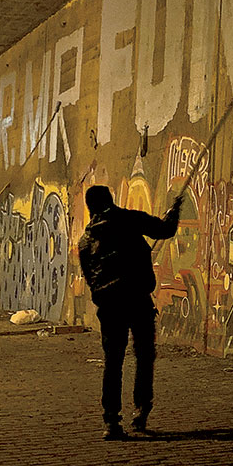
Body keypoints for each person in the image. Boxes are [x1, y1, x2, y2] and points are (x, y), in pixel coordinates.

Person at [77, 185, 183, 440]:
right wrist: (174, 211)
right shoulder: (131, 219)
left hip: (109, 306)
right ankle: (141, 410)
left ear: (89, 206)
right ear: (110, 200)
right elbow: (165, 230)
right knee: (144, 356)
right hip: (137, 300)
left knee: (113, 363)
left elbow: (90, 279)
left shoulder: (85, 241)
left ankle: (111, 422)